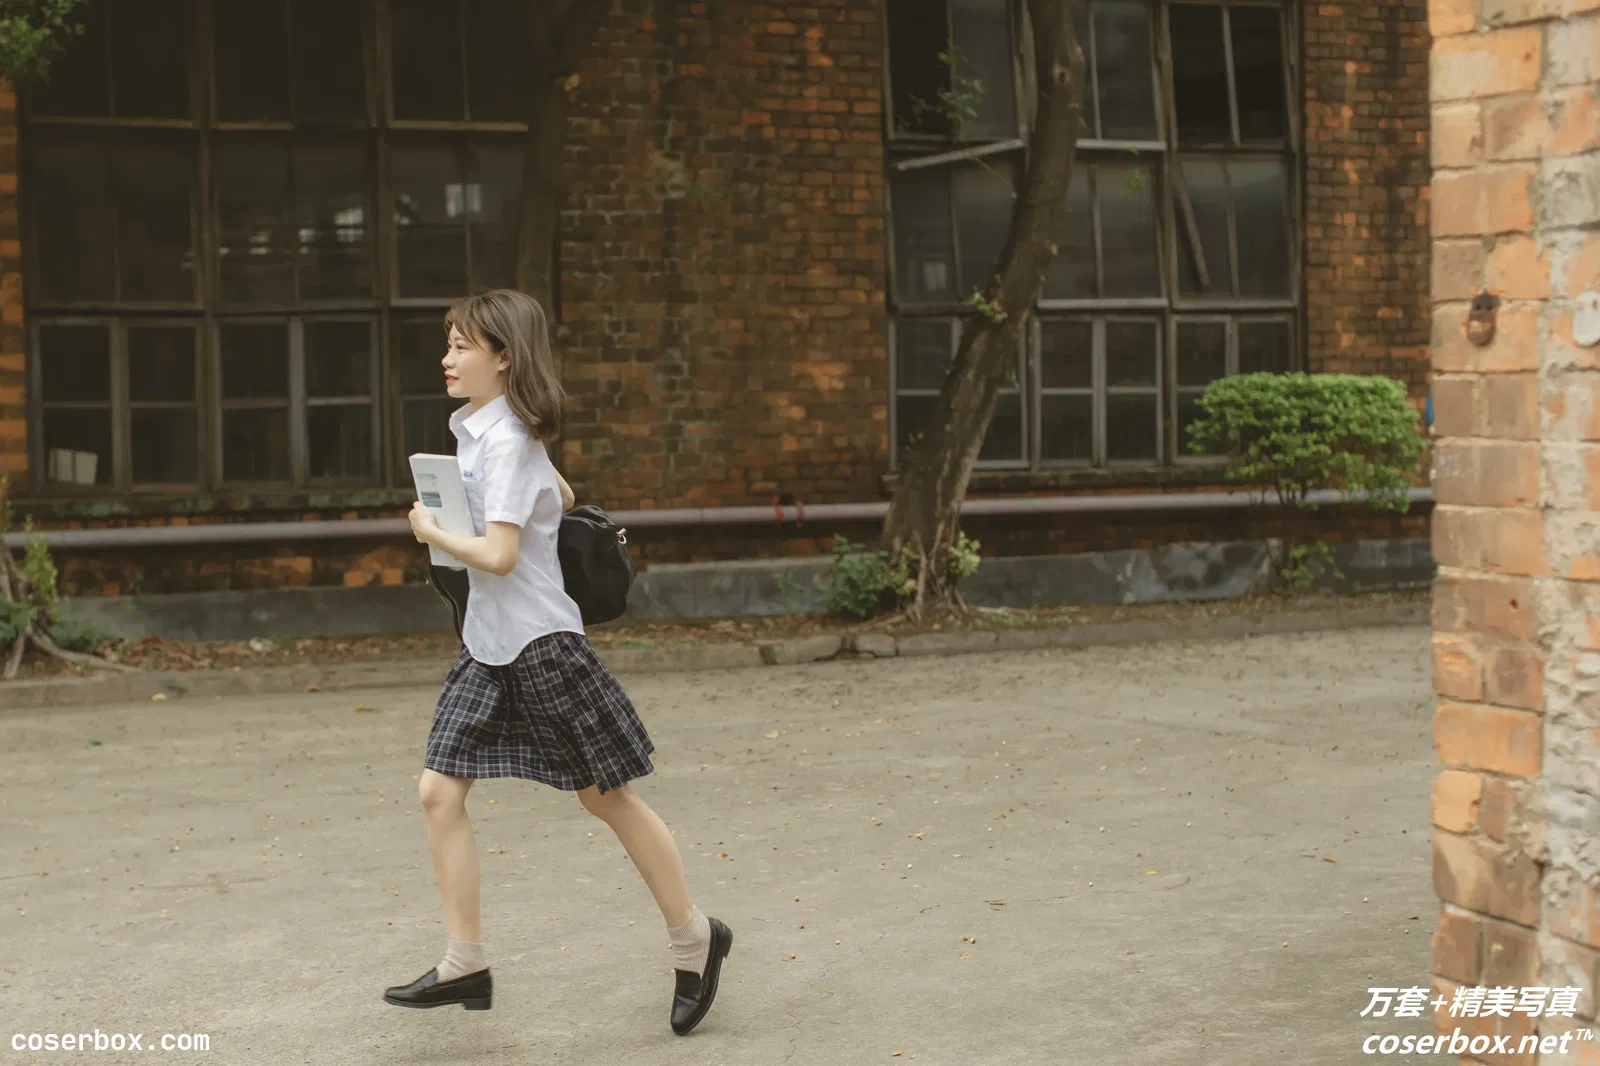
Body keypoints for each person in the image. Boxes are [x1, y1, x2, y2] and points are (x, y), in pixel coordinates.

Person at [384, 289, 732, 1035]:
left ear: (504, 356)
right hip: (489, 645)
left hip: (541, 645)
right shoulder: (486, 434)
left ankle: (695, 938)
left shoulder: (507, 441)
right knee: (438, 793)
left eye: (461, 346)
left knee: (606, 798)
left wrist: (432, 532)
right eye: (448, 344)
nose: (447, 358)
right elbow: (563, 494)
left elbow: (501, 556)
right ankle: (464, 962)